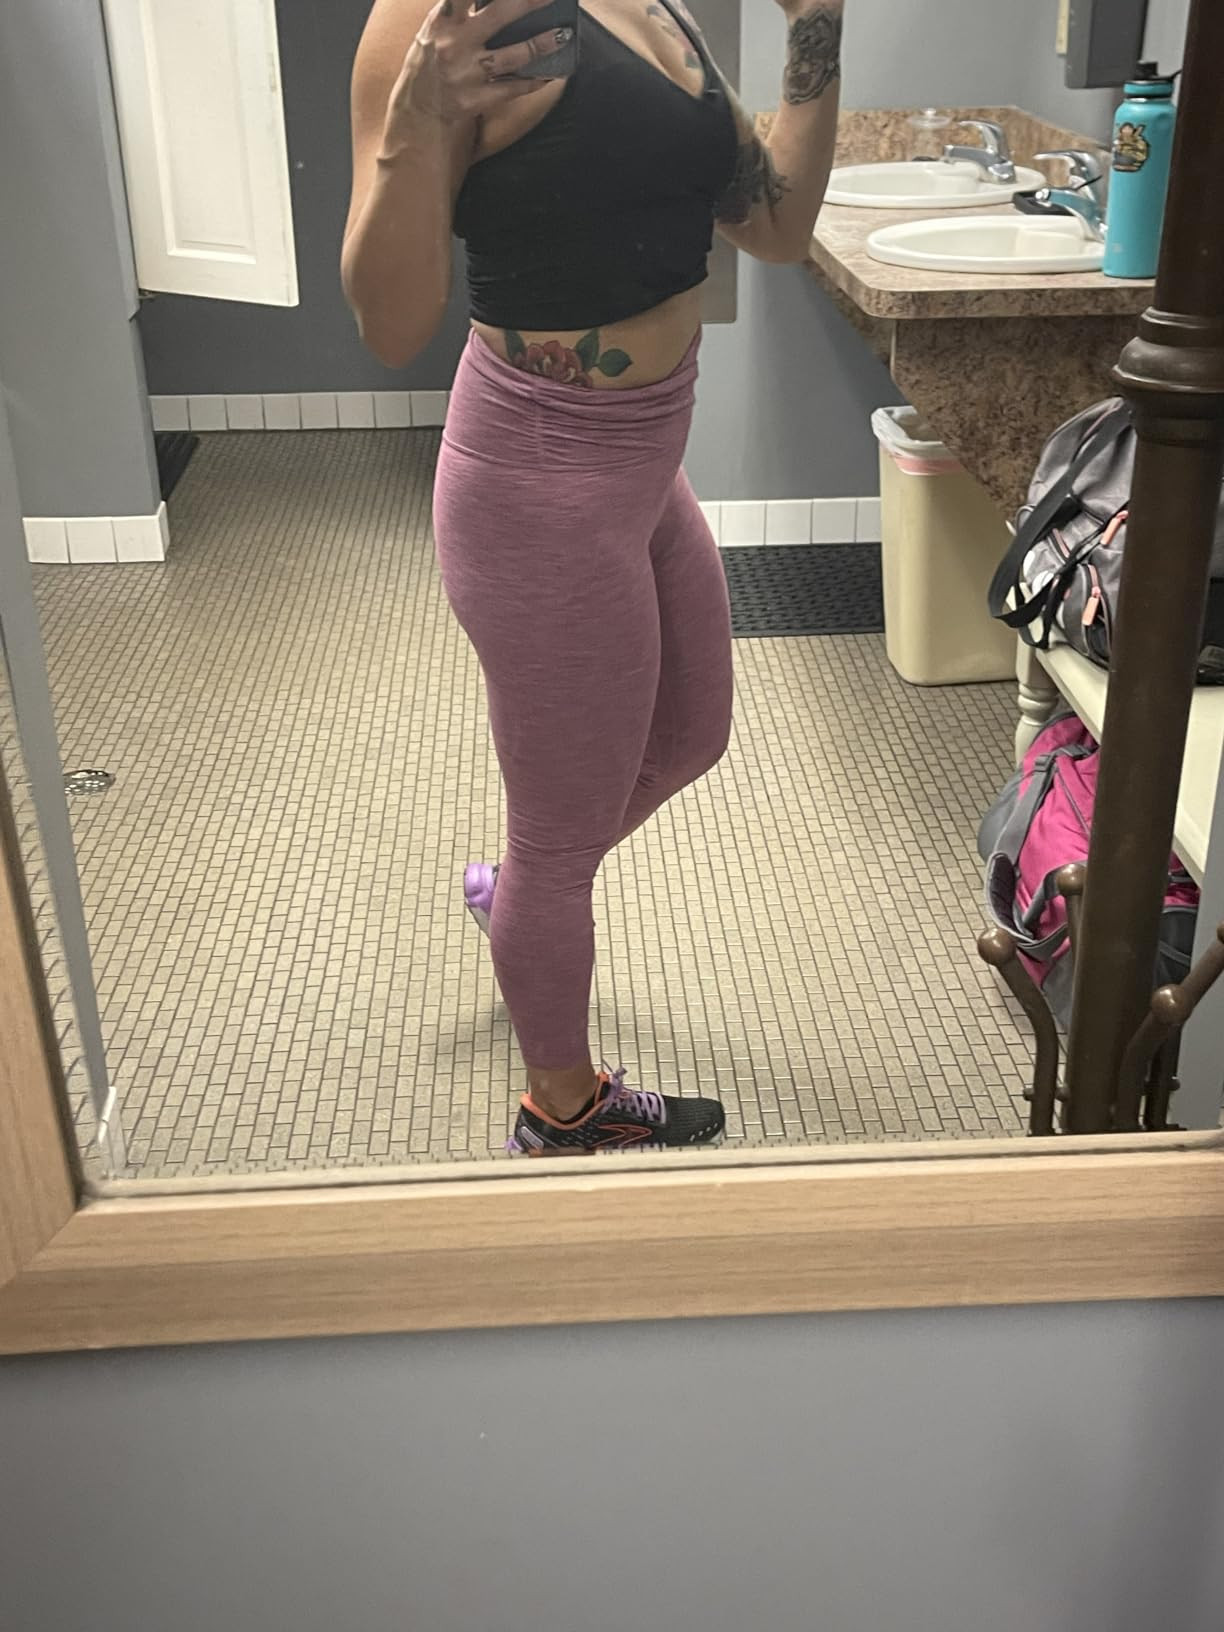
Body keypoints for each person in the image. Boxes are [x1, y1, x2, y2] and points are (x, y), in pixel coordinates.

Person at [343, 0, 844, 1154]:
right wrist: (417, 122)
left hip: (646, 459)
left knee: (693, 737)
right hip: (537, 482)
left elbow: (774, 225)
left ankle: (521, 898)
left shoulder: (654, 7)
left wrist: (817, 28)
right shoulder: (429, 21)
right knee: (560, 842)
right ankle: (561, 1109)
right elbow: (390, 324)